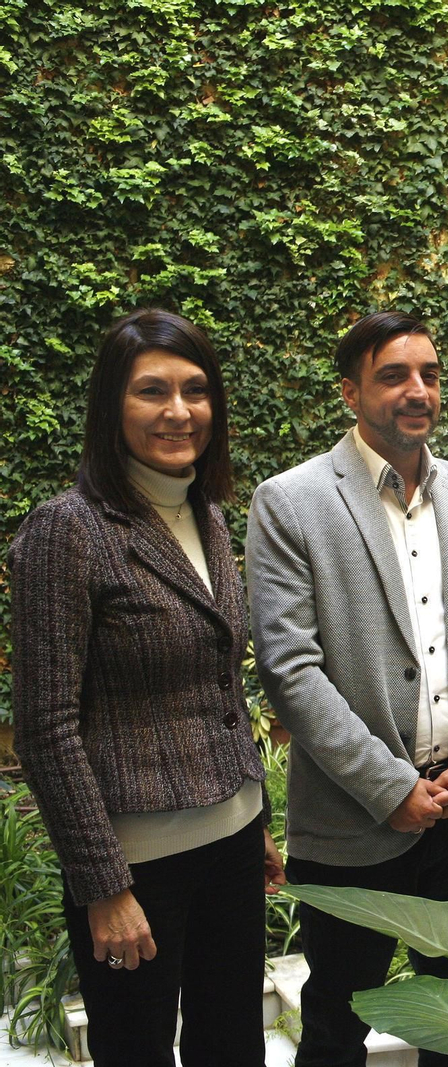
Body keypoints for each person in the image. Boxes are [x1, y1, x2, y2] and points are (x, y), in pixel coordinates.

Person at [246, 310, 448, 1067]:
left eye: (430, 375)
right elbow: (289, 667)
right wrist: (388, 785)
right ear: (350, 391)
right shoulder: (290, 502)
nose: (418, 390)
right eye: (394, 375)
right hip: (352, 825)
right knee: (338, 1026)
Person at [10, 309, 284, 1067]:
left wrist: (250, 811)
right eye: (151, 390)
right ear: (111, 406)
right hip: (134, 866)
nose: (178, 410)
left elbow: (220, 680)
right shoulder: (67, 530)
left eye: (196, 390)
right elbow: (45, 726)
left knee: (232, 1043)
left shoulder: (210, 515)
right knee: (136, 1052)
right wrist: (103, 884)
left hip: (230, 841)